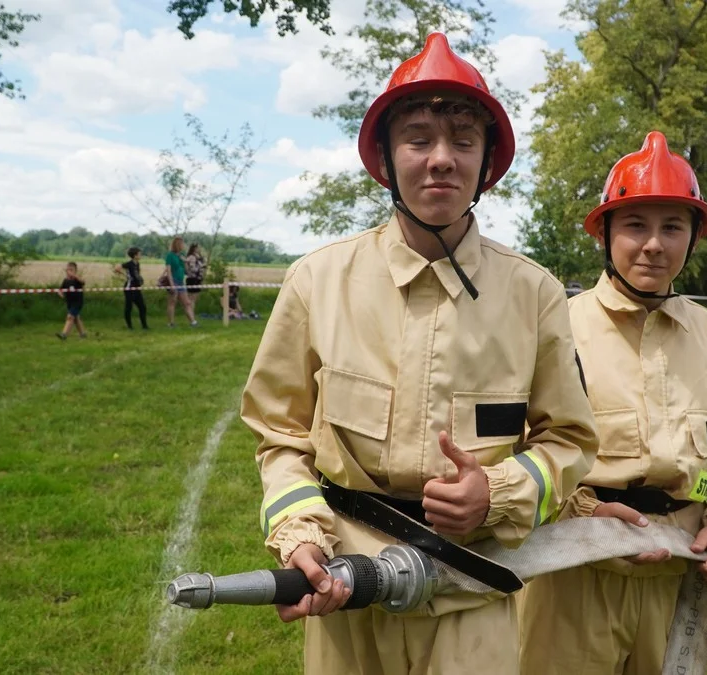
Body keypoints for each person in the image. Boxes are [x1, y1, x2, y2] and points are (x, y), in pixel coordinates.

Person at [240, 32, 599, 675]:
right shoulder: (317, 282)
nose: (441, 159)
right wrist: (301, 535)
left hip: (470, 591)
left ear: (486, 165)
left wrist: (496, 491)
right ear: (386, 157)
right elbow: (279, 434)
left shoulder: (535, 293)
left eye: (464, 141)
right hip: (345, 594)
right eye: (419, 137)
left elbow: (570, 441)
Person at [517, 131, 707, 675]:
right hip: (573, 574)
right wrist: (585, 517)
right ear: (603, 232)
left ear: (693, 239)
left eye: (672, 227)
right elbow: (517, 446)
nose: (654, 244)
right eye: (635, 225)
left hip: (679, 575)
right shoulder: (557, 326)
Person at [164, 237, 197, 328]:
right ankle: (171, 323)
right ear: (178, 245)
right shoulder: (170, 255)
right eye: (182, 244)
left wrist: (187, 262)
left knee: (187, 302)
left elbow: (185, 269)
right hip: (173, 280)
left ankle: (193, 322)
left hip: (181, 281)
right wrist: (171, 284)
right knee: (172, 302)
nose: (184, 245)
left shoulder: (181, 255)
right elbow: (168, 271)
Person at [115, 247, 149, 330]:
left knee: (142, 307)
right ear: (135, 255)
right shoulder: (129, 264)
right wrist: (125, 275)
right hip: (129, 288)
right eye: (139, 254)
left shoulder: (137, 264)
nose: (141, 255)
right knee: (129, 307)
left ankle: (144, 326)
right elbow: (117, 267)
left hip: (137, 288)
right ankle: (129, 326)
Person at [55, 262, 87, 339]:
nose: (69, 271)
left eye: (71, 270)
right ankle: (83, 334)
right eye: (68, 269)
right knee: (76, 318)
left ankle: (64, 334)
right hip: (70, 303)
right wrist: (60, 293)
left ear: (75, 271)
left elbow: (83, 282)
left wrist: (74, 276)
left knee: (70, 317)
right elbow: (61, 289)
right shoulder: (65, 280)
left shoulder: (77, 280)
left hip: (77, 302)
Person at [184, 243, 208, 317]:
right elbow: (192, 268)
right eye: (198, 248)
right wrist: (202, 267)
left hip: (197, 279)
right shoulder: (192, 257)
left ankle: (191, 314)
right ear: (194, 249)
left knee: (194, 299)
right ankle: (191, 315)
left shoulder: (198, 257)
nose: (199, 249)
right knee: (192, 298)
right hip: (193, 279)